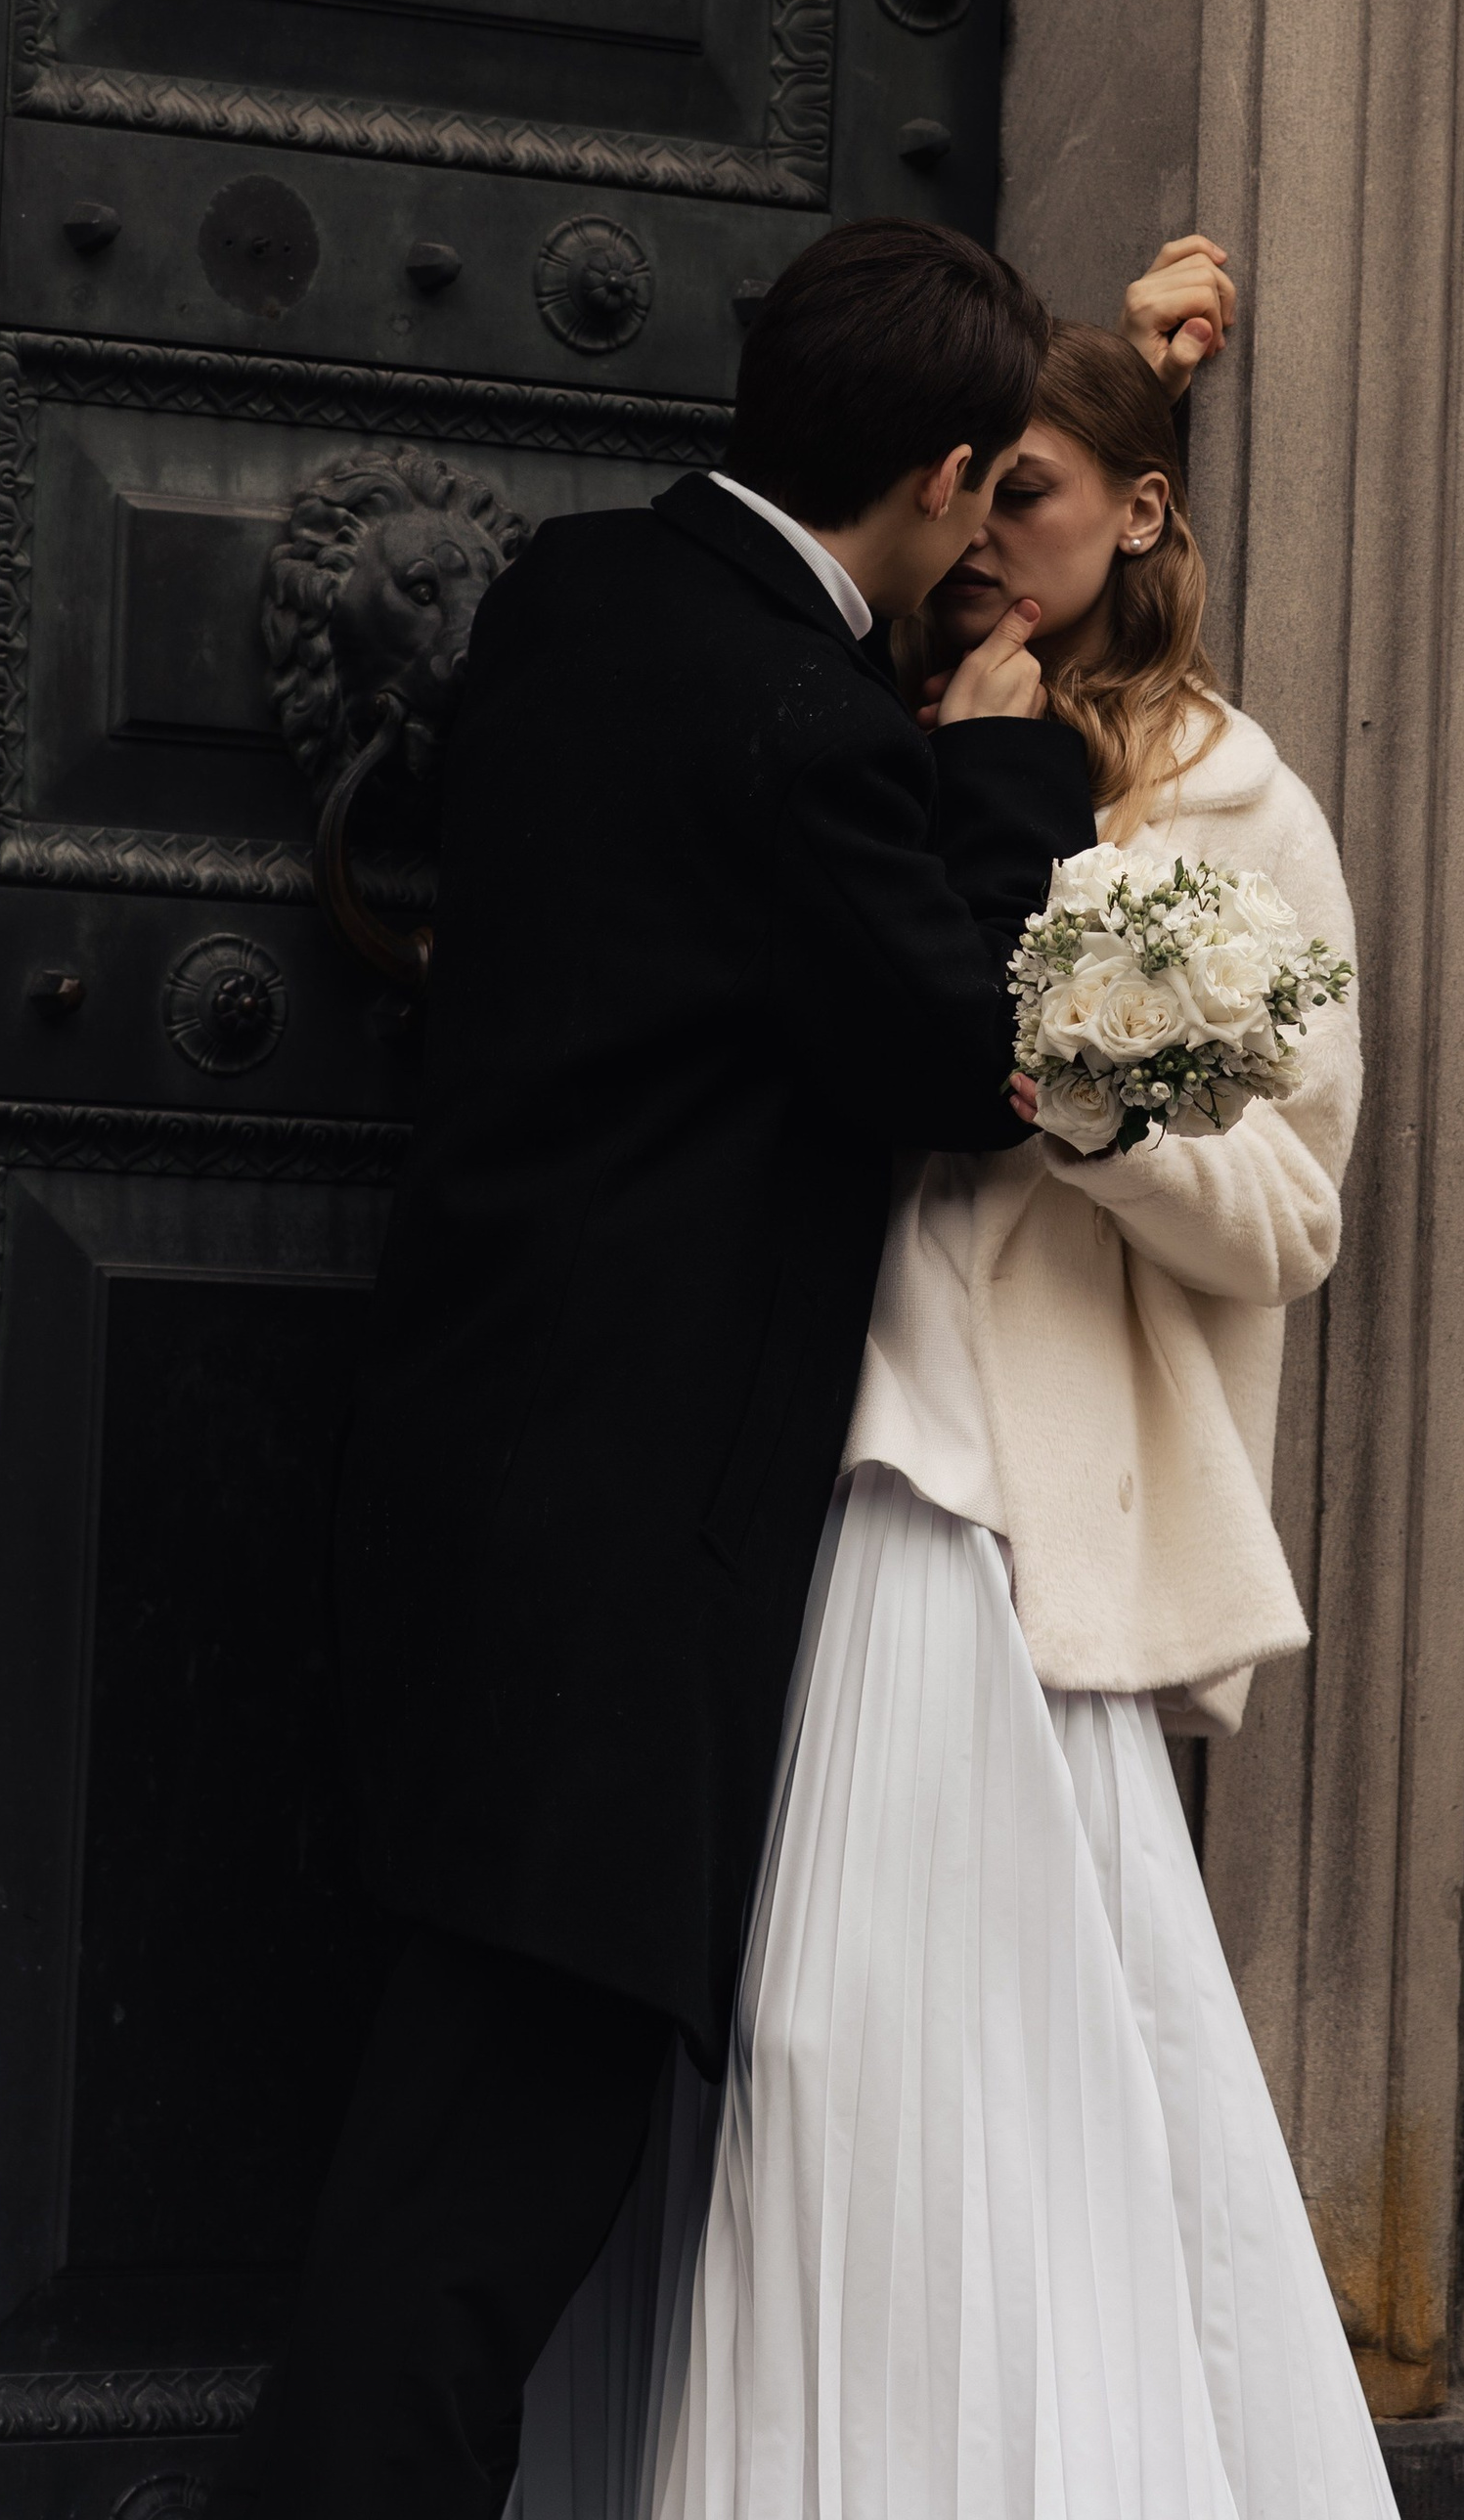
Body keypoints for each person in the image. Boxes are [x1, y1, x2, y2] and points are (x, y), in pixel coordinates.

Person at [228, 221, 1106, 2520]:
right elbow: (958, 1054)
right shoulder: (809, 730)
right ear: (942, 479)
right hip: (615, 1580)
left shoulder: (574, 594)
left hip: (452, 1478)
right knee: (471, 2220)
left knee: (425, 2155)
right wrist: (1005, 778)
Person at [511, 313, 1393, 2520]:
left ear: (1140, 512)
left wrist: (1084, 1097)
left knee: (955, 2077)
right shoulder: (848, 720)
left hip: (1007, 1525)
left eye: (1037, 494)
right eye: (972, 490)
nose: (990, 534)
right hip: (775, 1480)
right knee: (781, 2066)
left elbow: (1290, 1213)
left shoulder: (1234, 803)